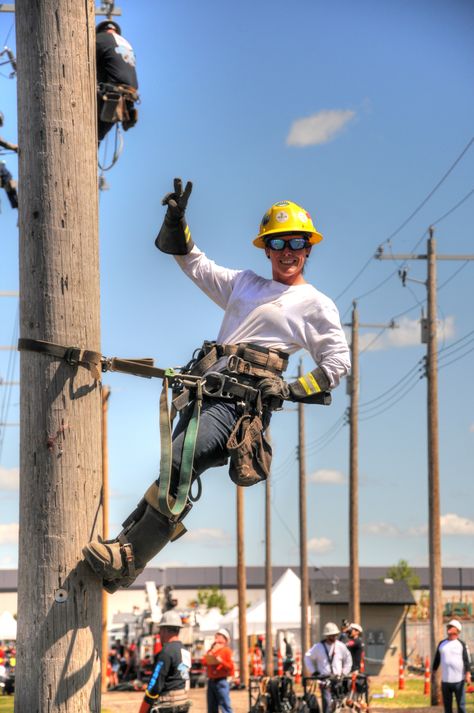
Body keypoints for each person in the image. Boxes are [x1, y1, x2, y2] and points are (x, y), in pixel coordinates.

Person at [83, 178, 351, 592]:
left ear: (309, 247)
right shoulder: (245, 284)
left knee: (179, 465)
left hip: (239, 407)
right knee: (172, 470)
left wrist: (292, 389)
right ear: (265, 249)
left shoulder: (316, 304)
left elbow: (337, 363)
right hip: (205, 394)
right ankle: (123, 555)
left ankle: (128, 557)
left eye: (295, 243)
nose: (287, 253)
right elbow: (194, 261)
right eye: (277, 244)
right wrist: (177, 220)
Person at [139, 610, 191, 713]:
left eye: (160, 630)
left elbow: (154, 686)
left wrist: (142, 711)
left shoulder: (166, 652)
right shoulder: (185, 650)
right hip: (182, 705)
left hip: (167, 707)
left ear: (164, 630)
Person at [95, 20, 139, 142]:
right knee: (96, 136)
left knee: (89, 135)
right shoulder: (126, 45)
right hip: (127, 99)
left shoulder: (99, 39)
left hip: (110, 95)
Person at [304, 622, 353, 713]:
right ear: (326, 636)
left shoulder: (340, 646)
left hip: (338, 679)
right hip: (324, 680)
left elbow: (348, 659)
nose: (333, 637)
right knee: (327, 703)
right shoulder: (318, 647)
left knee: (338, 705)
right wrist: (314, 671)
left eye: (335, 635)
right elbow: (307, 657)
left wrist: (344, 673)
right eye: (331, 635)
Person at [433, 619, 471, 713]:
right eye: (448, 626)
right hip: (445, 681)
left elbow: (467, 660)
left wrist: (468, 674)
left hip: (459, 681)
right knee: (447, 707)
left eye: (451, 627)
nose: (448, 628)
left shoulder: (461, 644)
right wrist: (433, 672)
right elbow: (437, 659)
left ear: (457, 630)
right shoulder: (442, 644)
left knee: (461, 706)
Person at [205, 628, 235, 713]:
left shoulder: (226, 651)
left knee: (225, 707)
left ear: (224, 639)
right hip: (211, 682)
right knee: (211, 708)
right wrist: (210, 654)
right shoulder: (211, 650)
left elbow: (230, 667)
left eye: (219, 635)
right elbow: (204, 662)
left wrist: (221, 661)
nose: (216, 637)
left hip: (221, 682)